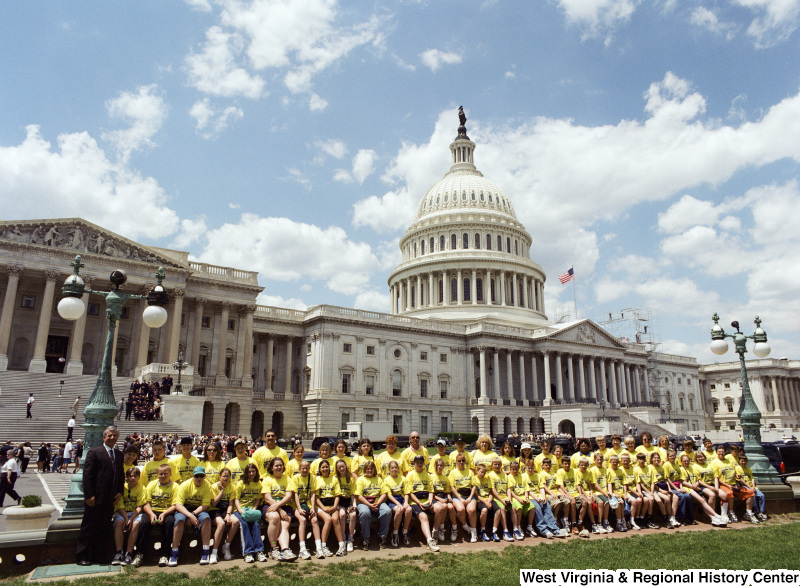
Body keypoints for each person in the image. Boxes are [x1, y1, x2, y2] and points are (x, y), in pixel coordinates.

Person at [75, 426, 125, 566]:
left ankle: (99, 555)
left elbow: (120, 475)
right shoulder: (94, 452)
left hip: (110, 499)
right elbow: (88, 475)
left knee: (104, 529)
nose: (112, 438)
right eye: (109, 435)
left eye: (115, 435)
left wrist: (120, 491)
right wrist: (89, 495)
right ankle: (82, 555)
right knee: (89, 527)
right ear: (104, 437)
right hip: (95, 498)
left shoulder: (119, 454)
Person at [172, 466, 213, 566]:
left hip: (198, 509)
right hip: (185, 509)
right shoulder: (185, 485)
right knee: (179, 521)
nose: (199, 478)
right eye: (196, 476)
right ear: (192, 476)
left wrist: (193, 514)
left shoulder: (207, 485)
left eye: (201, 476)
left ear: (204, 477)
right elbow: (178, 505)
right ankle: (174, 552)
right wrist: (189, 515)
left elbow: (205, 505)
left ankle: (205, 551)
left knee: (206, 519)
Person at [141, 463, 180, 566]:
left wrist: (164, 514)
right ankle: (140, 553)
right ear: (157, 475)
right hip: (152, 511)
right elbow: (146, 503)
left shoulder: (175, 486)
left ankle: (165, 554)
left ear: (170, 474)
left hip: (167, 511)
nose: (163, 476)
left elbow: (175, 505)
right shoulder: (151, 484)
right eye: (160, 474)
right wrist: (151, 514)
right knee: (143, 522)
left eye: (165, 473)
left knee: (169, 522)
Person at [262, 458, 295, 561]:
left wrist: (279, 507)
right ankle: (273, 548)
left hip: (284, 505)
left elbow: (288, 496)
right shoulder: (267, 479)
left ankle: (285, 549)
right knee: (275, 518)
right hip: (270, 505)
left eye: (281, 465)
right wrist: (279, 509)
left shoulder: (287, 479)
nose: (279, 467)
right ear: (271, 468)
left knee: (285, 524)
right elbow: (267, 498)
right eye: (276, 466)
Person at [111, 467, 146, 566]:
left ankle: (129, 553)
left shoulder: (142, 488)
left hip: (135, 513)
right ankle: (119, 552)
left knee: (135, 524)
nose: (133, 478)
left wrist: (130, 519)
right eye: (130, 476)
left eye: (135, 476)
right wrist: (126, 519)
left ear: (139, 477)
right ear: (126, 478)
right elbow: (119, 505)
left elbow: (139, 507)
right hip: (122, 513)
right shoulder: (122, 487)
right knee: (119, 523)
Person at [404, 455, 439, 551]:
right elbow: (410, 493)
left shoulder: (427, 475)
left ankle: (435, 532)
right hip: (415, 501)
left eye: (421, 462)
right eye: (417, 462)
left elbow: (431, 491)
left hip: (427, 499)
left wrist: (431, 502)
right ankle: (429, 541)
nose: (419, 464)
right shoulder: (410, 475)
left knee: (440, 508)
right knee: (424, 517)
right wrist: (419, 503)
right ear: (414, 464)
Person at [234, 463, 267, 563]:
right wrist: (240, 510)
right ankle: (247, 552)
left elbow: (257, 499)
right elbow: (236, 499)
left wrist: (254, 509)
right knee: (244, 524)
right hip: (239, 509)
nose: (251, 473)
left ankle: (259, 551)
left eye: (253, 471)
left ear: (256, 472)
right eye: (249, 472)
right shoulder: (240, 484)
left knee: (256, 524)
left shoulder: (259, 484)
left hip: (251, 509)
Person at [209, 467, 238, 563]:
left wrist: (229, 514)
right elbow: (213, 503)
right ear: (219, 477)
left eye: (228, 476)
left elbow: (231, 504)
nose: (225, 478)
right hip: (214, 510)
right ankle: (214, 552)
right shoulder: (213, 487)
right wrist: (221, 491)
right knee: (221, 524)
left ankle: (226, 546)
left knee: (235, 521)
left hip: (225, 510)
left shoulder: (232, 487)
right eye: (224, 476)